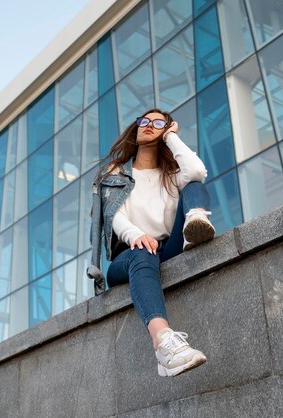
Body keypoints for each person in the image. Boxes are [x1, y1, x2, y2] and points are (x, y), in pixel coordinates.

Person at [87, 108, 215, 377]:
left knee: (193, 184)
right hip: (129, 257)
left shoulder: (171, 175)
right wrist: (137, 236)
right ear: (136, 128)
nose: (149, 125)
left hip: (166, 248)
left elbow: (197, 171)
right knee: (142, 252)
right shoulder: (115, 174)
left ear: (167, 129)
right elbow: (114, 218)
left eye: (158, 123)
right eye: (144, 121)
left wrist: (172, 138)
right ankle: (164, 344)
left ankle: (195, 220)